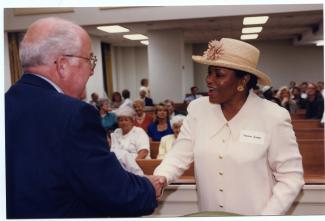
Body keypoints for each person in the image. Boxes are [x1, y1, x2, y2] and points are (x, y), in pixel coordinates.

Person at [5, 17, 160, 218]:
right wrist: (148, 188)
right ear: (62, 65)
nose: (92, 71)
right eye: (89, 60)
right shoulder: (74, 115)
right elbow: (115, 193)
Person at [154, 38, 304, 215]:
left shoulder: (273, 117)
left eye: (219, 74)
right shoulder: (197, 109)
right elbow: (179, 155)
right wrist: (161, 177)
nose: (209, 80)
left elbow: (291, 177)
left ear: (243, 81)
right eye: (209, 72)